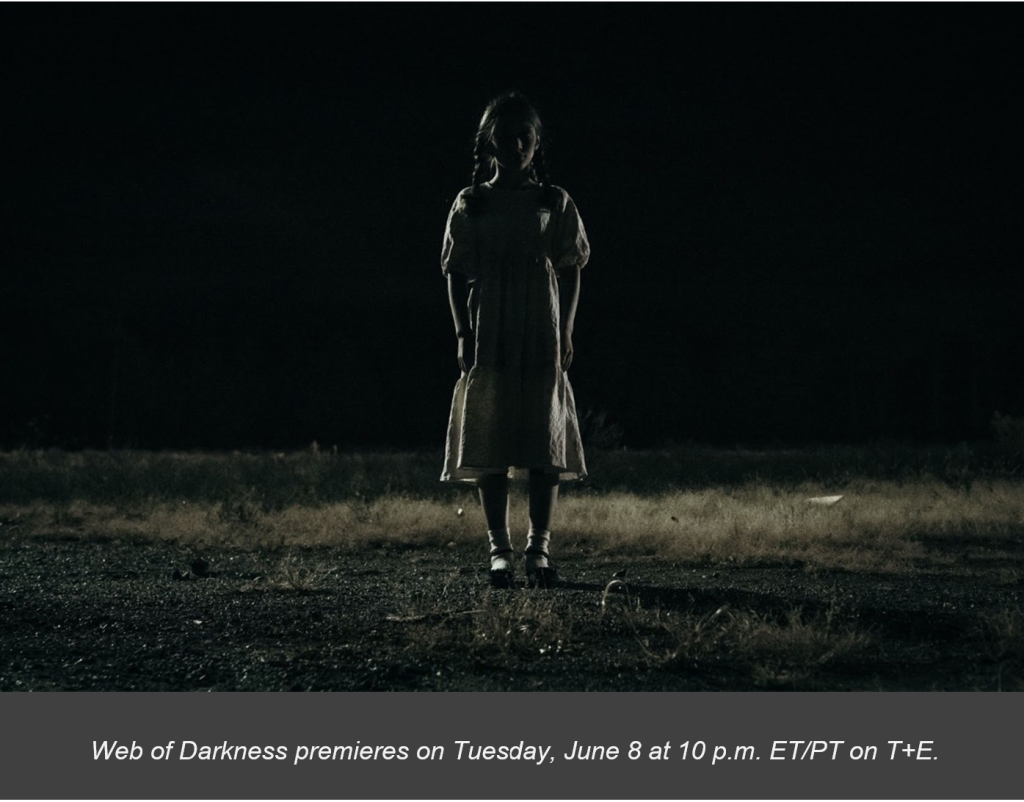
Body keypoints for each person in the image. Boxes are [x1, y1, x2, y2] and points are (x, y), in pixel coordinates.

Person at [439, 91, 590, 588]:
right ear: (489, 141)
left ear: (536, 141)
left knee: (544, 434)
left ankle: (539, 549)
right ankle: (499, 549)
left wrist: (566, 327)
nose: (515, 144)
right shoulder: (472, 201)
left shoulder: (554, 201)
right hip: (491, 329)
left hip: (540, 327)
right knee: (492, 431)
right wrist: (462, 330)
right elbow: (455, 270)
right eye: (504, 136)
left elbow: (571, 268)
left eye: (524, 135)